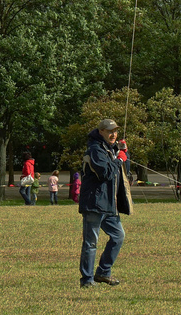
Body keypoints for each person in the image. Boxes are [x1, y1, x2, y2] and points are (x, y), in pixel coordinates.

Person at [78, 118, 132, 288]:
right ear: (101, 132)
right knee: (91, 243)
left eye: (115, 131)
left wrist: (124, 154)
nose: (113, 134)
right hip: (94, 203)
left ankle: (103, 272)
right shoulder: (95, 149)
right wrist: (119, 160)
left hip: (109, 203)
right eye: (109, 131)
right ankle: (87, 280)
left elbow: (124, 172)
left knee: (118, 236)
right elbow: (105, 173)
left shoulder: (109, 149)